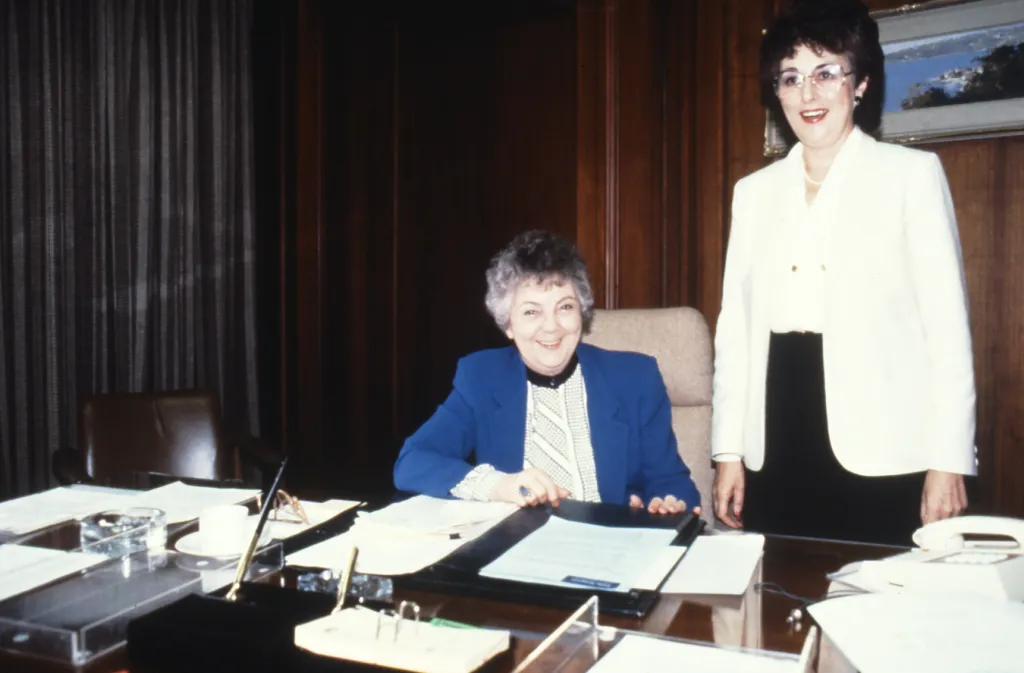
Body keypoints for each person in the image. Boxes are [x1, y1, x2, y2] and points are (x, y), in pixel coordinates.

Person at [711, 0, 976, 546]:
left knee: (882, 609)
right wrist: (728, 452)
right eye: (791, 77)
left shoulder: (910, 176)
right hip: (776, 426)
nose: (808, 94)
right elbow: (734, 332)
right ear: (776, 92)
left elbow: (948, 330)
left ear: (859, 85)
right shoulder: (753, 195)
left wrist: (949, 458)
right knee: (780, 606)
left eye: (826, 73)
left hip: (884, 440)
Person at [394, 230, 701, 515]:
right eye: (531, 311)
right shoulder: (481, 378)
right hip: (515, 552)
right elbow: (413, 462)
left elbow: (673, 483)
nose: (551, 326)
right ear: (508, 324)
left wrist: (665, 505)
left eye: (564, 307)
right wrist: (499, 486)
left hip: (610, 549)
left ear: (581, 313)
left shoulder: (635, 378)